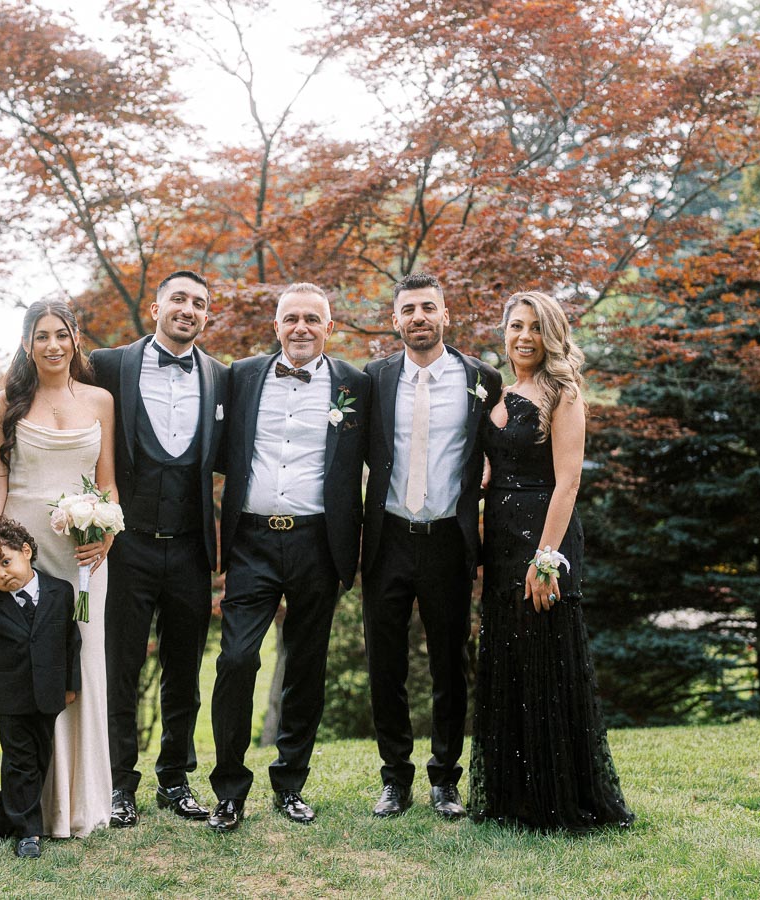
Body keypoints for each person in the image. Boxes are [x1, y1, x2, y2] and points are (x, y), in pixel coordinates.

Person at [466, 290, 634, 831]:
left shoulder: (563, 392)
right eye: (516, 326)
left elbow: (569, 481)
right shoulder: (498, 389)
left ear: (552, 334)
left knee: (548, 656)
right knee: (509, 654)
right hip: (500, 539)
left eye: (536, 328)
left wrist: (547, 560)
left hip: (545, 535)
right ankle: (513, 798)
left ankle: (559, 799)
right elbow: (494, 458)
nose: (523, 337)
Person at [207, 282, 369, 832]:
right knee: (236, 660)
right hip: (251, 540)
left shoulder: (356, 385)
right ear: (276, 326)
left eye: (312, 319)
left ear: (330, 327)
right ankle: (228, 790)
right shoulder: (242, 374)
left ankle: (290, 784)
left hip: (318, 543)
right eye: (290, 318)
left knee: (305, 666)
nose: (301, 328)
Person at [0, 299, 117, 838]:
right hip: (22, 553)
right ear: (27, 344)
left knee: (84, 669)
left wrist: (107, 535)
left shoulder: (100, 401)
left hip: (81, 556)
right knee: (30, 671)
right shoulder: (7, 403)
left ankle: (78, 803)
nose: (53, 344)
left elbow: (108, 480)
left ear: (76, 339)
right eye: (41, 336)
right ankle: (32, 806)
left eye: (62, 334)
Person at [87, 270, 228, 828]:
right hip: (126, 545)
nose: (188, 309)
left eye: (199, 302)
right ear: (155, 306)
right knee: (119, 665)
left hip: (192, 545)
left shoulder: (220, 376)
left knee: (185, 670)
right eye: (179, 299)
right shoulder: (108, 365)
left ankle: (175, 777)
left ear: (205, 315)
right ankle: (120, 782)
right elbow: (53, 396)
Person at [361, 272, 502, 819]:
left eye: (428, 308)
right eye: (408, 310)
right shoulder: (373, 379)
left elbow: (500, 445)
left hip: (448, 540)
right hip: (388, 538)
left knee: (450, 662)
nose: (418, 317)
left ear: (446, 315)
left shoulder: (482, 378)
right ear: (395, 320)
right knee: (386, 665)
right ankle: (395, 778)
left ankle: (446, 778)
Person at [0, 517, 81, 860]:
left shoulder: (61, 592)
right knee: (20, 761)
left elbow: (72, 642)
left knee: (37, 762)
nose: (2, 576)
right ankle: (29, 833)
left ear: (26, 551)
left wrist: (71, 686)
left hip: (49, 693)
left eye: (6, 563)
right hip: (11, 698)